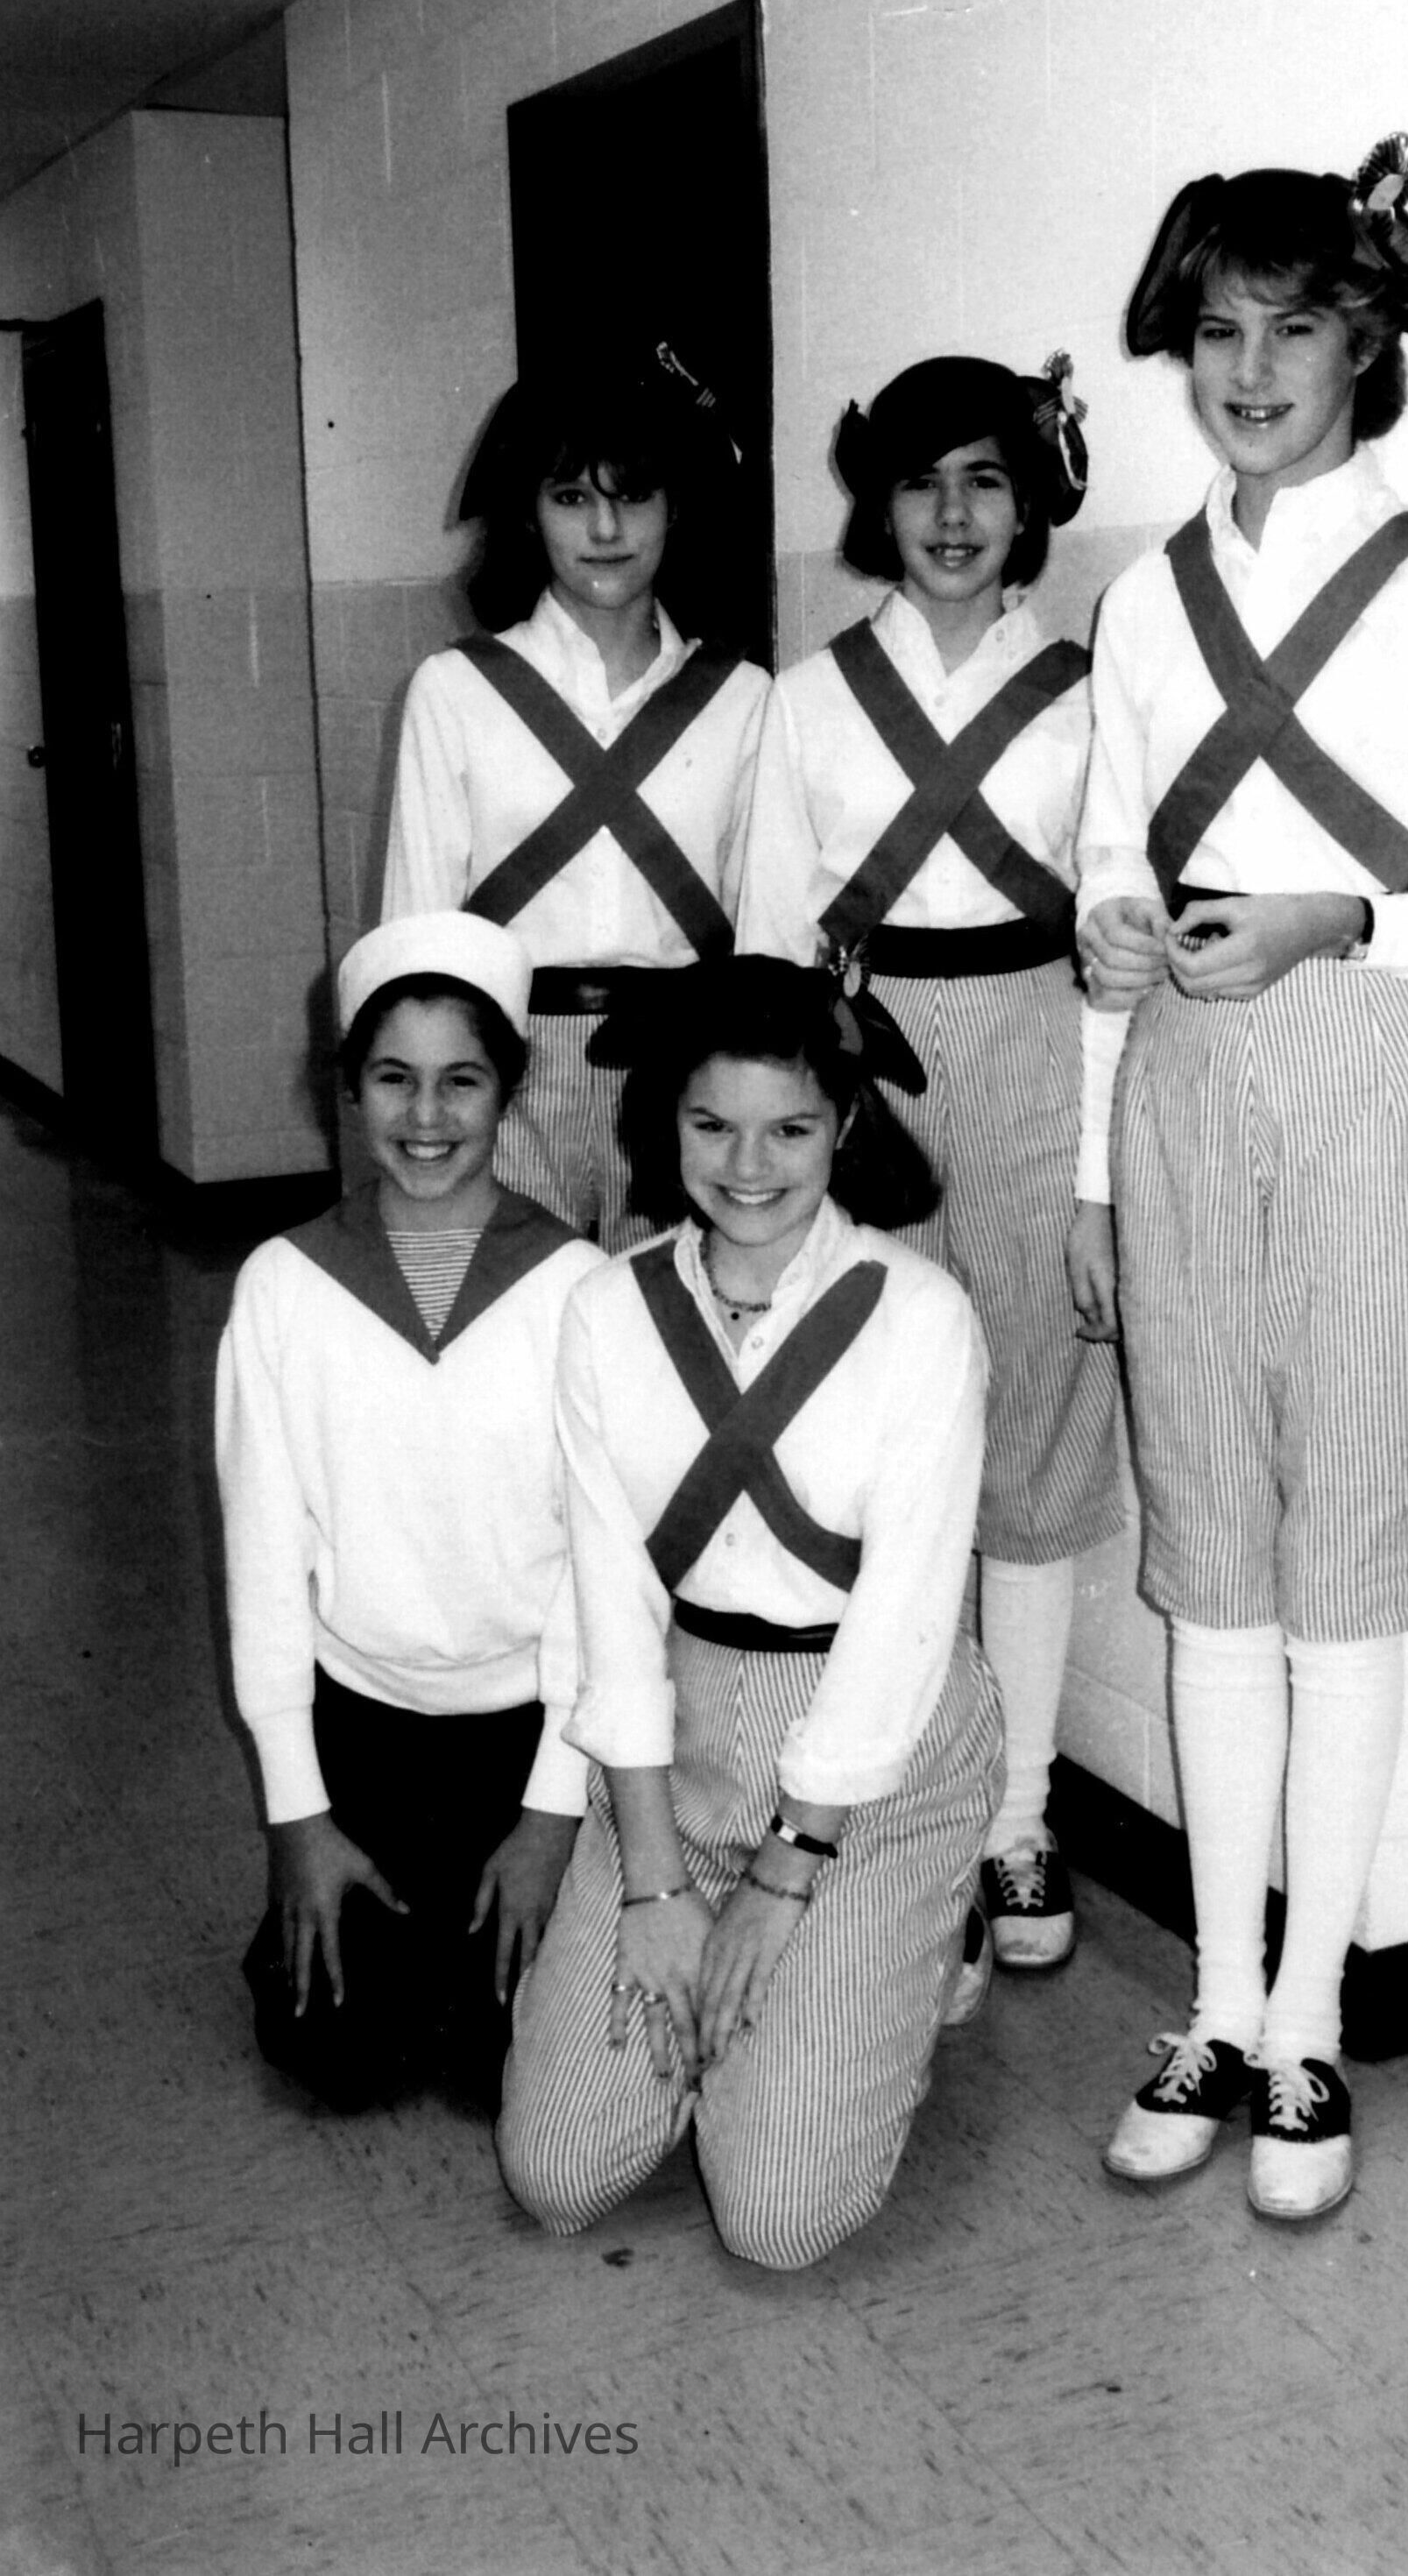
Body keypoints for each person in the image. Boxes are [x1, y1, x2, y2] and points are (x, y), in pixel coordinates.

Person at [1075, 138, 1408, 2215]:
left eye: (1292, 327)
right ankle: (1209, 2001)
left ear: (1363, 342)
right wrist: (1111, 963)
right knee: (1207, 1554)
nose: (1249, 368)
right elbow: (1109, 859)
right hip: (1178, 1088)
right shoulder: (1137, 596)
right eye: (1216, 330)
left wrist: (1329, 919)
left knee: (1340, 1551)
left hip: (1369, 1070)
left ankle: (1307, 2031)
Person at [497, 957, 1003, 2268]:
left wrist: (785, 1877)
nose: (747, 1165)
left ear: (844, 1123)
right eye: (711, 1123)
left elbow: (903, 1623)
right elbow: (611, 1607)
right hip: (676, 1742)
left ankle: (914, 1935)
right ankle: (762, 2016)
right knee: (555, 2173)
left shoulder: (919, 1316)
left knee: (777, 2216)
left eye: (788, 1128)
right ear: (665, 1121)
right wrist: (655, 1880)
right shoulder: (606, 1311)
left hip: (869, 1763)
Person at [736, 354, 1121, 1990]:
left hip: (1038, 1044)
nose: (952, 514)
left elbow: (1116, 939)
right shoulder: (805, 699)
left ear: (1029, 504)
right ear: (876, 505)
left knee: (1034, 1434)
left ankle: (1014, 1813)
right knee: (868, 1429)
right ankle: (887, 1794)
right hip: (864, 1058)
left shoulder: (1092, 692)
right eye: (919, 481)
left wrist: (1098, 1164)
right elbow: (771, 930)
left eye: (984, 479)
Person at [218, 911, 601, 2110]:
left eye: (460, 1080)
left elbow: (599, 1577)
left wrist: (550, 1818)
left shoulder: (578, 1289)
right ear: (346, 1088)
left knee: (505, 2074)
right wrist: (298, 1813)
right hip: (363, 1724)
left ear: (509, 1091)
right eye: (392, 1077)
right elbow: (263, 1558)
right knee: (334, 2056)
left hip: (524, 1730)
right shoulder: (282, 1287)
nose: (425, 1115)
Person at [382, 353, 771, 1244]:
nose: (604, 528)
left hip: (681, 1067)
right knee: (508, 1309)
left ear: (675, 507)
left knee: (669, 1312)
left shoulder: (741, 697)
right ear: (529, 514)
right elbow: (416, 929)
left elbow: (762, 929)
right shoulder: (456, 690)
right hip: (508, 1063)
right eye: (570, 497)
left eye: (633, 496)